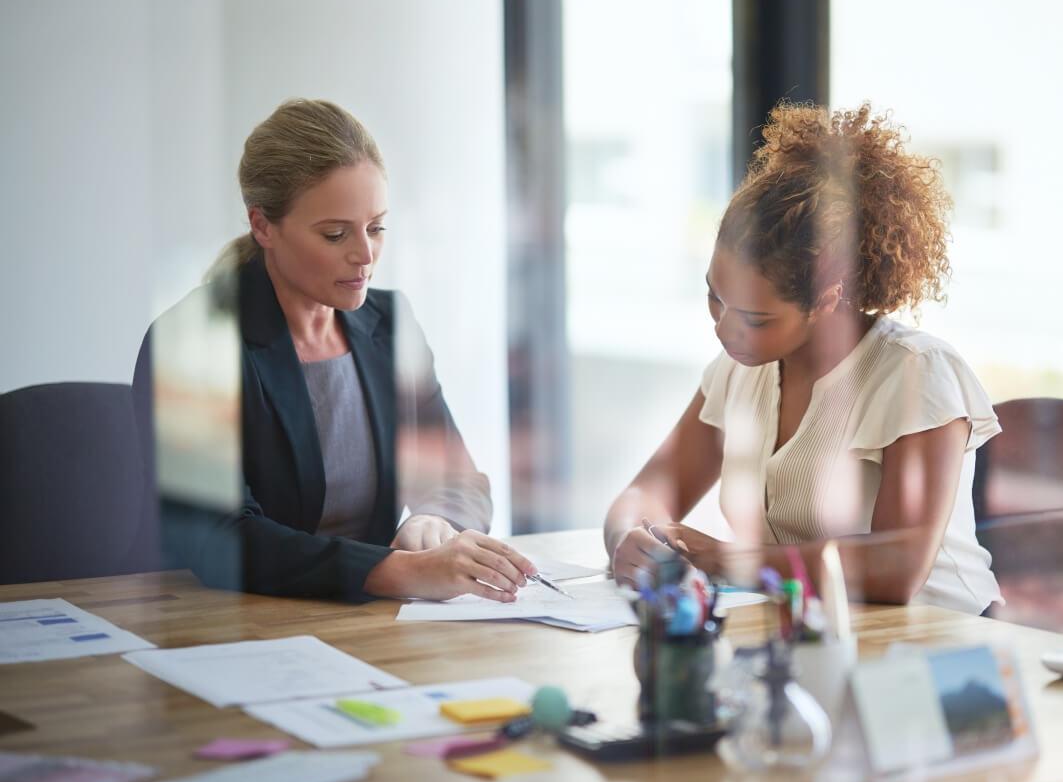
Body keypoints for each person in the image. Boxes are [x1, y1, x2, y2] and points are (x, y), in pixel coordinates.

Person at [604, 102, 1003, 615]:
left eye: (755, 318)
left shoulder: (913, 372)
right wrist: (632, 538)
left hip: (939, 643)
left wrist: (729, 560)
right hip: (816, 635)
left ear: (827, 300)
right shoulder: (738, 373)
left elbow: (899, 567)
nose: (724, 330)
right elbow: (645, 493)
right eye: (714, 298)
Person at [134, 99, 534, 602]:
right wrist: (394, 570)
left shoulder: (390, 324)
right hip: (224, 623)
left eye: (376, 227)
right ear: (263, 226)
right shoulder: (190, 342)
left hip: (359, 625)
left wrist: (434, 522)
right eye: (335, 234)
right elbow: (220, 537)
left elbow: (461, 481)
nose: (365, 255)